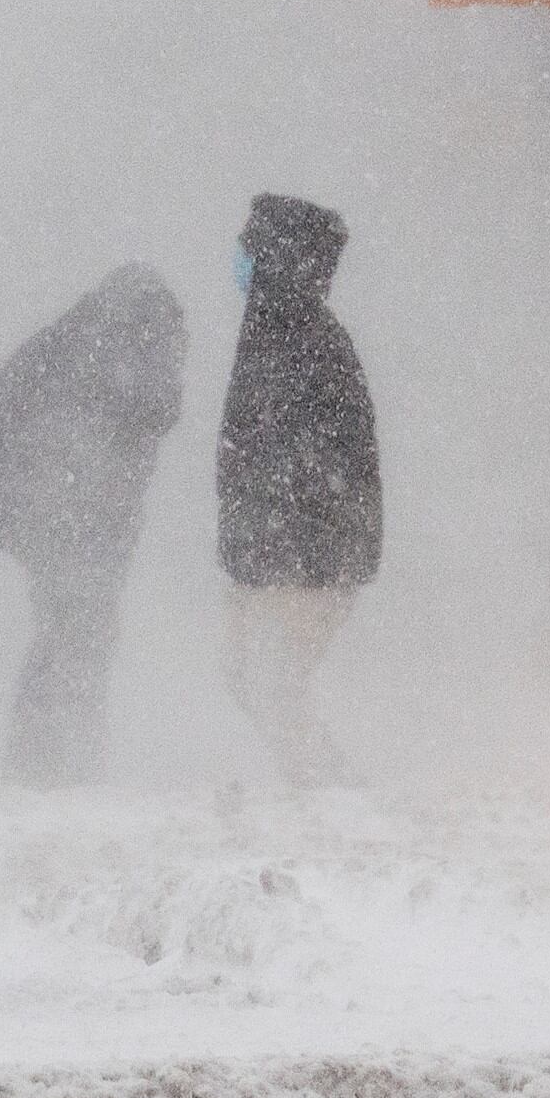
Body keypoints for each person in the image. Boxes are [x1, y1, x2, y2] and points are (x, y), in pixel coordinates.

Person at [0, 265, 187, 786]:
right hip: (84, 518)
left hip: (52, 515)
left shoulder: (59, 340)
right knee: (79, 631)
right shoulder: (133, 352)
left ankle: (44, 757)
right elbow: (160, 410)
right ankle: (56, 760)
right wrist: (53, 474)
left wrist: (23, 479)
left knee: (66, 628)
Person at [214, 193, 378, 789]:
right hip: (275, 548)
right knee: (249, 676)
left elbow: (312, 464)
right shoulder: (271, 330)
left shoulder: (303, 340)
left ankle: (325, 791)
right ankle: (323, 786)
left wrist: (278, 546)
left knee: (270, 681)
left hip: (299, 554)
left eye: (249, 249)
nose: (238, 259)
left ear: (274, 258)